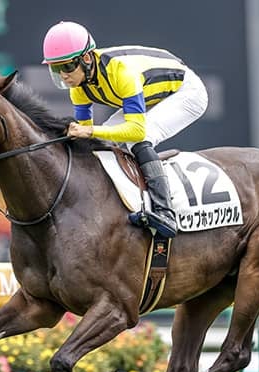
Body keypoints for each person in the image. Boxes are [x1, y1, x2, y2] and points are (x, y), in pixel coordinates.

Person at [41, 21, 208, 238]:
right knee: (103, 142)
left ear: (87, 59)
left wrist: (89, 131)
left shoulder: (121, 72)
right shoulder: (79, 88)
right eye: (56, 68)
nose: (63, 75)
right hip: (150, 94)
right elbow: (86, 138)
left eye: (67, 66)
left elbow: (135, 131)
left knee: (140, 138)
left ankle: (164, 211)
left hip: (185, 92)